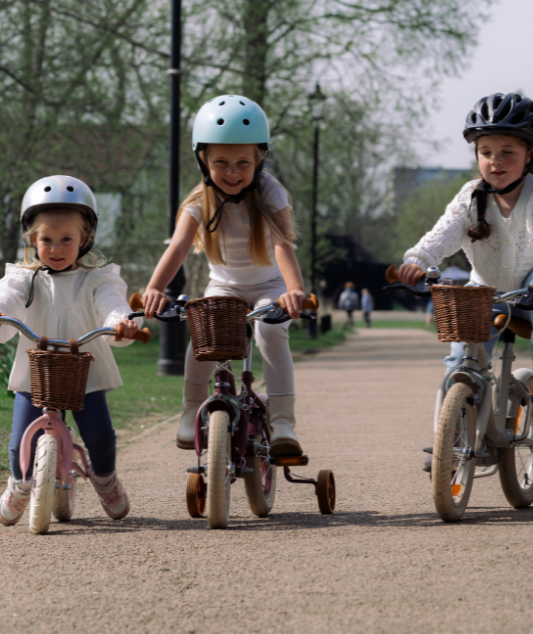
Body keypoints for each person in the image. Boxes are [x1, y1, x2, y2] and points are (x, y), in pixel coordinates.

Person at [397, 93, 533, 468]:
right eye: (486, 151)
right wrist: (416, 260)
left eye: (508, 151)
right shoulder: (471, 196)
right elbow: (441, 234)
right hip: (485, 291)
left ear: (531, 154)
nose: (496, 161)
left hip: (530, 289)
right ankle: (450, 439)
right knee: (459, 363)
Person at [141, 95, 308, 456]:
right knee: (205, 334)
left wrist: (295, 291)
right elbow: (179, 247)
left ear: (258, 159)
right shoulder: (199, 200)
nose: (233, 172)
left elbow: (282, 245)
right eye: (221, 163)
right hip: (225, 285)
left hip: (270, 285)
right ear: (203, 160)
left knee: (270, 330)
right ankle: (190, 411)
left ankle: (282, 421)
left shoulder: (270, 192)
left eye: (243, 163)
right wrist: (154, 288)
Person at [0, 176, 140, 525]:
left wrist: (120, 320)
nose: (57, 248)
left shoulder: (97, 278)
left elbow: (111, 302)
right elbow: (8, 299)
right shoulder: (24, 277)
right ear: (32, 240)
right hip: (37, 373)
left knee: (101, 437)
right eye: (47, 239)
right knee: (20, 443)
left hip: (85, 374)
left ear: (85, 239)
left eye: (67, 239)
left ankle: (105, 480)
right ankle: (19, 482)